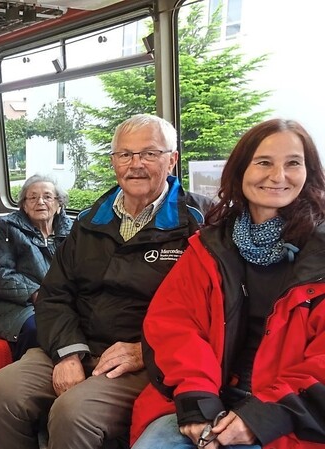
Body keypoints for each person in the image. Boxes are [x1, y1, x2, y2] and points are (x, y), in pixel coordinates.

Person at [0, 114, 212, 449]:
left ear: (172, 159)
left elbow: (210, 310)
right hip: (79, 342)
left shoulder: (200, 222)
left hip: (143, 357)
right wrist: (68, 353)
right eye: (125, 155)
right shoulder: (90, 221)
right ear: (114, 161)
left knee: (73, 414)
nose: (135, 165)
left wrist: (146, 350)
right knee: (1, 391)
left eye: (149, 154)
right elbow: (54, 293)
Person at [131, 119, 325, 449]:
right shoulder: (210, 247)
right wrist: (198, 401)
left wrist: (261, 418)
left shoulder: (318, 252)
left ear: (309, 173)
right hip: (210, 396)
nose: (278, 176)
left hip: (294, 415)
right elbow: (174, 325)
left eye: (293, 163)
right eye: (264, 162)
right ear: (240, 171)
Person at [0, 174, 72, 361]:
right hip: (13, 305)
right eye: (32, 197)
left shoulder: (72, 231)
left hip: (59, 301)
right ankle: (28, 380)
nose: (40, 202)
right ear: (24, 205)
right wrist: (36, 293)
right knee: (39, 327)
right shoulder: (7, 227)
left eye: (47, 196)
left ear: (59, 204)